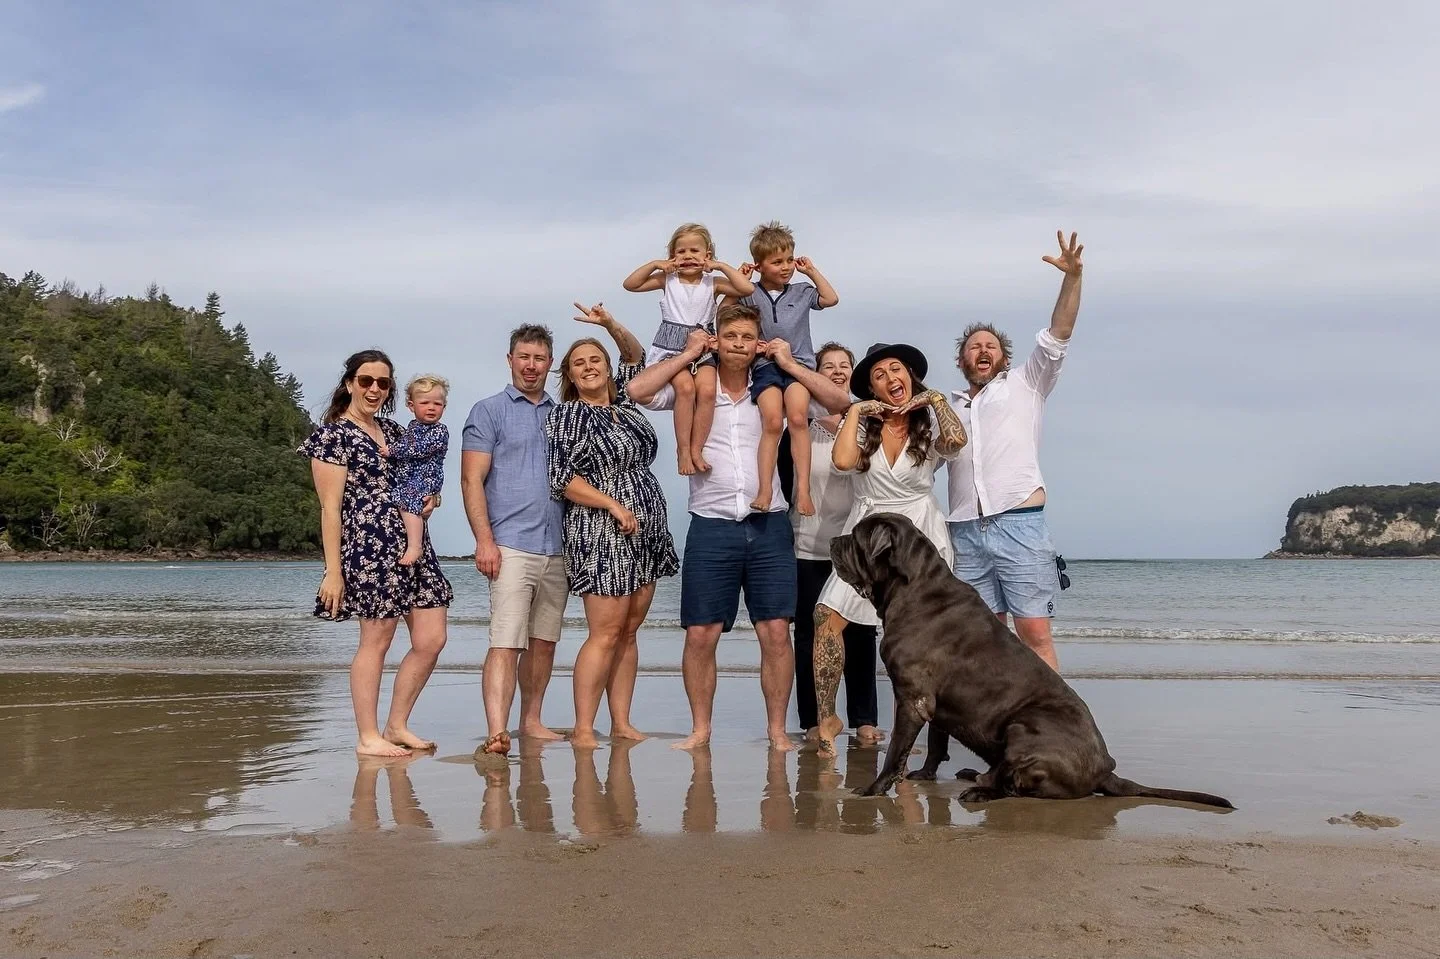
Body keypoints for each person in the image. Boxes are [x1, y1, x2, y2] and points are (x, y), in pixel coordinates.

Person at [627, 304, 851, 750]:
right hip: (711, 525)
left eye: (747, 336)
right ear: (717, 337)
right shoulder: (692, 385)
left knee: (775, 632)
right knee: (701, 633)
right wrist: (689, 351)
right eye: (729, 335)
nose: (738, 344)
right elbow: (637, 389)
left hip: (769, 526)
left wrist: (787, 361)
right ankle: (700, 730)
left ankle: (775, 731)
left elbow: (840, 401)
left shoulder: (774, 387)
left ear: (757, 343)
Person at [812, 342, 968, 754]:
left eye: (896, 370)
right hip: (868, 530)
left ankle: (911, 726)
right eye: (878, 376)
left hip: (920, 532)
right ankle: (827, 716)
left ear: (910, 377)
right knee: (827, 615)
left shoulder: (928, 424)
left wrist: (933, 398)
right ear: (872, 389)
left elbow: (956, 443)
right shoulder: (863, 425)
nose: (889, 379)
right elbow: (843, 463)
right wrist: (856, 411)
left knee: (920, 638)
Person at [299, 349, 452, 757]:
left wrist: (433, 496)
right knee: (377, 640)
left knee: (432, 637)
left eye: (383, 383)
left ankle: (397, 724)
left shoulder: (397, 432)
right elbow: (330, 509)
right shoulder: (331, 435)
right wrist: (333, 572)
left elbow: (421, 473)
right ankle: (368, 737)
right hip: (369, 546)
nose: (374, 389)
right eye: (366, 381)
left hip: (415, 545)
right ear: (349, 383)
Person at [947, 231, 1084, 672]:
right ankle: (997, 727)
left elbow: (1058, 334)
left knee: (1035, 635)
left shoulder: (1028, 383)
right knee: (980, 640)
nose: (982, 351)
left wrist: (1073, 278)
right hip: (965, 533)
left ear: (1004, 359)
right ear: (962, 360)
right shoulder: (946, 407)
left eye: (991, 346)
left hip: (1020, 525)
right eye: (974, 347)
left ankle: (1053, 728)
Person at [545, 302, 680, 749]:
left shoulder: (625, 402)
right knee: (604, 633)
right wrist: (613, 506)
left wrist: (608, 325)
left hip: (646, 528)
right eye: (579, 363)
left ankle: (621, 722)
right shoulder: (567, 415)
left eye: (595, 360)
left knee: (629, 632)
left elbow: (636, 356)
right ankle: (584, 726)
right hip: (600, 529)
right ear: (570, 374)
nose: (589, 368)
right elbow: (562, 478)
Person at [461, 325, 566, 757]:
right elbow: (471, 480)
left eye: (539, 358)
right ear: (510, 360)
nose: (531, 365)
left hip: (558, 545)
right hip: (509, 544)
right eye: (524, 357)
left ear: (550, 363)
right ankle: (496, 731)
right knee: (506, 640)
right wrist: (484, 541)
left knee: (543, 642)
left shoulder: (564, 414)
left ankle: (532, 721)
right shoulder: (488, 411)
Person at [789, 342, 883, 745]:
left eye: (845, 365)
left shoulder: (867, 424)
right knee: (810, 636)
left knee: (861, 632)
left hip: (857, 548)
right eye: (829, 366)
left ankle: (864, 720)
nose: (838, 371)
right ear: (815, 373)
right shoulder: (800, 423)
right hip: (807, 545)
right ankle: (814, 721)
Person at [622, 222, 754, 476]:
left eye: (695, 251)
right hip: (672, 347)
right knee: (684, 387)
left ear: (707, 256)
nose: (688, 256)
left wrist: (722, 267)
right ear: (672, 256)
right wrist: (655, 264)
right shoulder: (667, 279)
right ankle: (682, 450)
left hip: (703, 343)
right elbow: (631, 284)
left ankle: (696, 448)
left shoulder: (712, 282)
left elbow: (746, 288)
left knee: (706, 391)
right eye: (681, 252)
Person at [735, 220, 839, 516]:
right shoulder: (750, 293)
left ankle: (803, 491)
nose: (786, 267)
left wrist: (811, 271)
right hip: (766, 366)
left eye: (789, 260)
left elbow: (831, 299)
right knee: (771, 422)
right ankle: (766, 489)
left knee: (796, 418)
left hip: (799, 366)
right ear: (759, 265)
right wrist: (739, 279)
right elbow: (726, 311)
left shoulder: (803, 291)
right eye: (777, 262)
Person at [389, 374, 450, 567]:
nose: (431, 408)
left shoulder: (439, 431)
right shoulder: (413, 427)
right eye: (424, 403)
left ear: (444, 407)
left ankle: (415, 545)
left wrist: (391, 450)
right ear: (411, 405)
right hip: (411, 477)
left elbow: (418, 449)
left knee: (408, 501)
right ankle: (414, 543)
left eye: (437, 404)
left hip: (426, 476)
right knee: (408, 502)